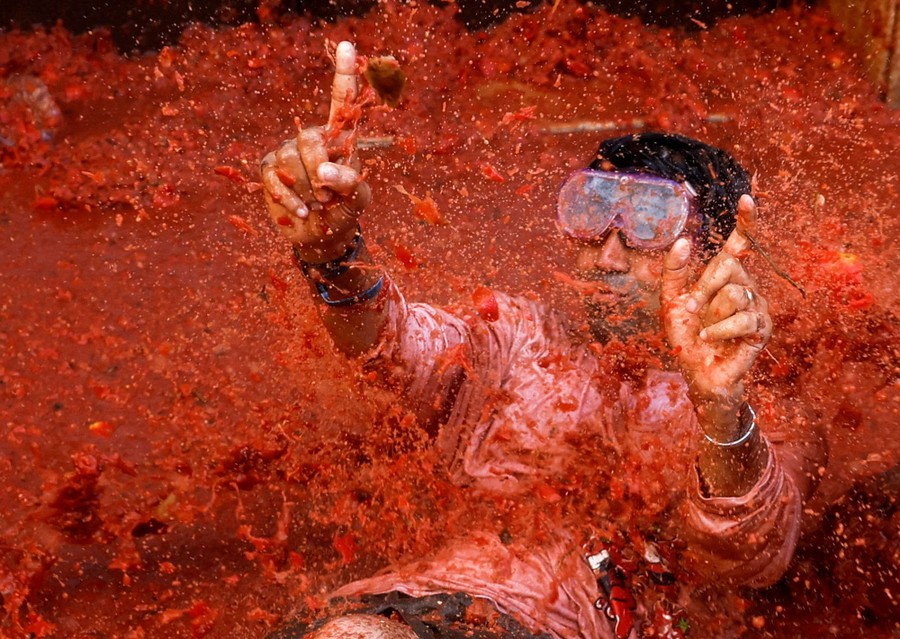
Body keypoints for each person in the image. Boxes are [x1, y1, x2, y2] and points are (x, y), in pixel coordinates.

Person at [259, 41, 826, 639]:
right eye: (590, 212)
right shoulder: (516, 338)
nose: (606, 255)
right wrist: (330, 253)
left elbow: (750, 554)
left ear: (711, 253)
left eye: (649, 227)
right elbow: (391, 347)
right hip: (414, 610)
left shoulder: (768, 409)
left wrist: (720, 409)